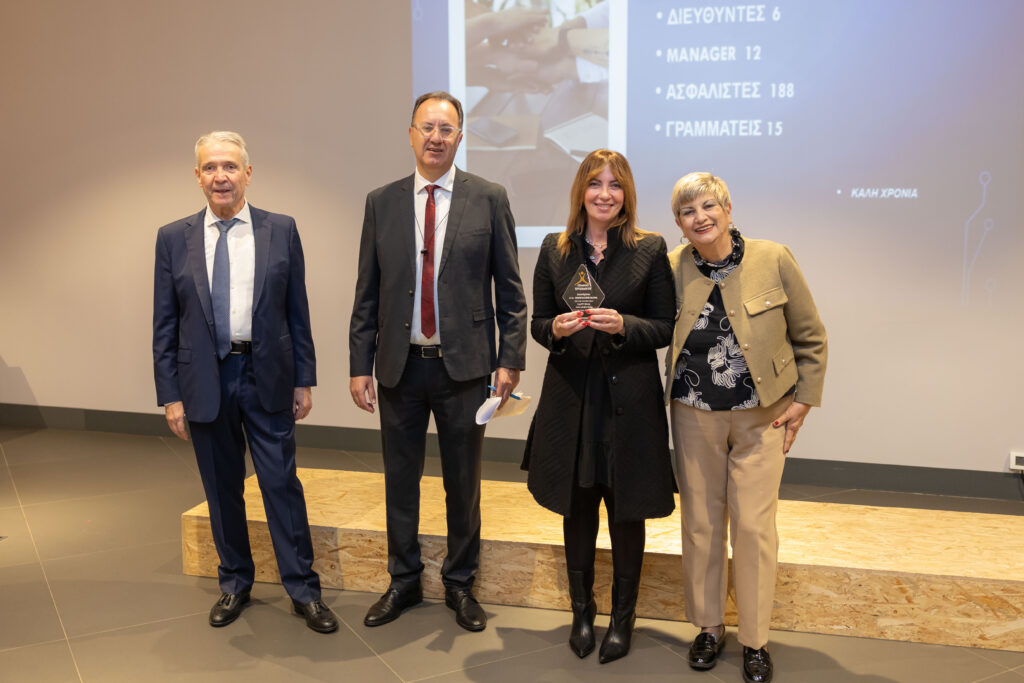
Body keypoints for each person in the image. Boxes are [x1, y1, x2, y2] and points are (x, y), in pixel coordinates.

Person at [349, 91, 528, 632]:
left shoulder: (489, 198)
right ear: (410, 134)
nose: (435, 137)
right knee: (399, 480)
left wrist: (510, 359)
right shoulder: (381, 202)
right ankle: (403, 580)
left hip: (466, 368)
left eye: (446, 129)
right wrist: (359, 364)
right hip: (398, 366)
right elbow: (367, 291)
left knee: (463, 483)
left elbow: (510, 290)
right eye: (426, 127)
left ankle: (460, 583)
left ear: (460, 137)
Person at [152, 131, 337, 633]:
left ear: (248, 173)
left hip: (266, 374)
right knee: (221, 488)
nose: (221, 176)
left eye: (230, 166)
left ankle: (303, 589)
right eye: (210, 167)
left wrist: (304, 379)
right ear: (197, 176)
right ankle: (235, 581)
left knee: (280, 483)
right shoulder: (173, 238)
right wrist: (170, 395)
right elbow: (165, 323)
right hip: (203, 380)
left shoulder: (281, 229)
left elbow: (297, 310)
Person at [664, 173, 827, 683]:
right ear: (679, 224)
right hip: (693, 414)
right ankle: (709, 627)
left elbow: (811, 336)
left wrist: (805, 400)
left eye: (708, 206)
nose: (700, 218)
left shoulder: (774, 257)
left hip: (763, 416)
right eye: (688, 212)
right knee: (701, 524)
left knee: (754, 528)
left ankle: (755, 640)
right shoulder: (671, 266)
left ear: (728, 208)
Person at [523, 149, 675, 663]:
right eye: (595, 184)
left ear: (626, 193)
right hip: (573, 399)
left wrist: (624, 325)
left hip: (629, 402)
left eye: (615, 184)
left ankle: (622, 619)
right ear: (581, 192)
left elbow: (664, 326)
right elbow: (538, 323)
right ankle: (581, 612)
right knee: (578, 505)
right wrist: (556, 328)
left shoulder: (649, 249)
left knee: (626, 510)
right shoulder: (555, 248)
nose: (604, 194)